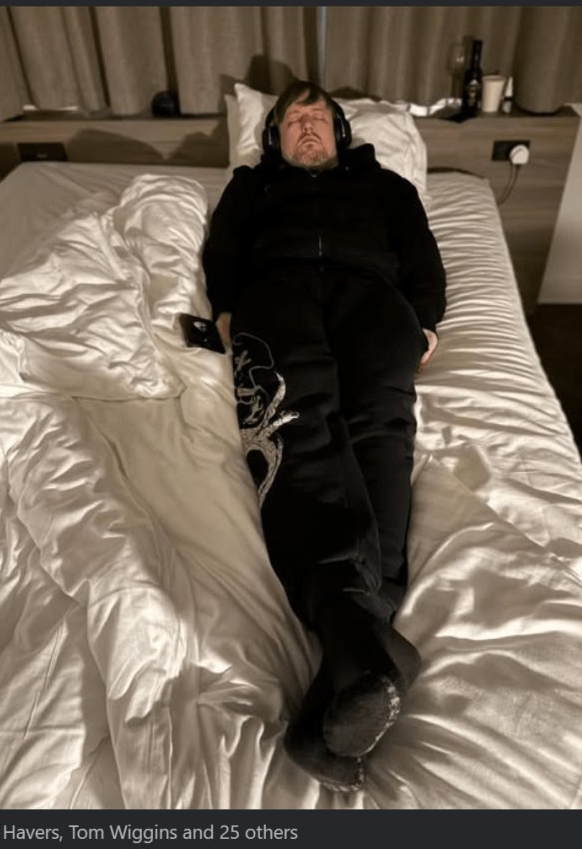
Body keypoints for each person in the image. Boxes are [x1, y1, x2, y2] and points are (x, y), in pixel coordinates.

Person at [202, 81, 446, 791]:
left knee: (382, 438)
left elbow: (422, 253)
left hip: (375, 299)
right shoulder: (251, 187)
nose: (306, 127)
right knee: (293, 428)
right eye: (292, 120)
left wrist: (426, 318)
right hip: (274, 295)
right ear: (272, 137)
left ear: (340, 132)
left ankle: (352, 662)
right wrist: (225, 306)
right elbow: (224, 248)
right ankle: (361, 651)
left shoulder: (388, 188)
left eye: (318, 118)